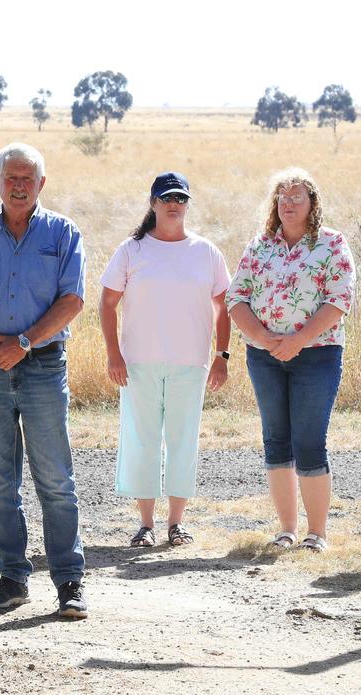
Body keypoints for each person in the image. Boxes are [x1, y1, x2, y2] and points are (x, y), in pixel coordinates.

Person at [0, 142, 89, 619]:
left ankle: (69, 579)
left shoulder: (63, 233)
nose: (20, 184)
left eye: (29, 177)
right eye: (11, 177)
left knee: (54, 478)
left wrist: (23, 342)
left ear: (42, 184)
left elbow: (72, 300)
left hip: (44, 366)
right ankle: (12, 576)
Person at [226, 168, 356, 553]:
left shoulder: (332, 244)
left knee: (309, 440)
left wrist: (298, 340)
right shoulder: (260, 245)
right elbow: (236, 298)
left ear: (312, 203)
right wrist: (265, 338)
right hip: (264, 357)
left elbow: (339, 300)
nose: (289, 203)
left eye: (297, 196)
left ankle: (317, 534)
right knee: (276, 440)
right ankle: (286, 530)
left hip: (316, 355)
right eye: (282, 197)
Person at [99, 172, 231, 548]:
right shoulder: (132, 250)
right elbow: (107, 303)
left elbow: (224, 307)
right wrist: (113, 353)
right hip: (138, 363)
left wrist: (222, 356)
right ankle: (145, 524)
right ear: (153, 203)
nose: (174, 204)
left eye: (181, 198)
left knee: (182, 440)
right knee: (142, 439)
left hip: (190, 363)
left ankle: (176, 523)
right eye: (166, 198)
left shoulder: (206, 252)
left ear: (187, 204)